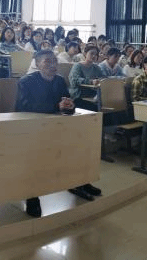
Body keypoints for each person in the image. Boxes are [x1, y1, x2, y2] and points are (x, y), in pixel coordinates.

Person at [16, 50, 101, 214]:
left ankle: (81, 182)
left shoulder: (60, 80)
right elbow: (23, 107)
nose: (52, 65)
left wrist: (70, 105)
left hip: (57, 126)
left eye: (54, 61)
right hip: (33, 129)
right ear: (37, 64)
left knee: (82, 141)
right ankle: (32, 197)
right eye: (47, 61)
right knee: (34, 158)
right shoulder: (26, 81)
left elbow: (65, 101)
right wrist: (56, 107)